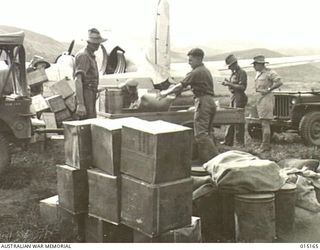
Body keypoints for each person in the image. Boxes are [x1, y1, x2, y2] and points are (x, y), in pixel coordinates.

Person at [159, 48, 218, 163]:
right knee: (208, 133)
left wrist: (164, 93)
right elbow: (189, 86)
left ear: (198, 59)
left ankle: (215, 160)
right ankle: (205, 159)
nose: (189, 62)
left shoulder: (196, 72)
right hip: (210, 102)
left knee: (201, 135)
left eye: (191, 60)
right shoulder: (205, 70)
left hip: (203, 102)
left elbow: (180, 86)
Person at [251, 55, 283, 152]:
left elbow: (279, 82)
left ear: (261, 64)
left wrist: (269, 89)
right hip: (260, 99)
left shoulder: (269, 73)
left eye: (255, 64)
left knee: (265, 123)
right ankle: (265, 144)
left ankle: (265, 146)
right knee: (262, 122)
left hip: (266, 99)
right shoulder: (258, 73)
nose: (254, 66)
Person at [74, 28, 107, 119]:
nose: (99, 45)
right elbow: (78, 80)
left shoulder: (90, 55)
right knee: (87, 122)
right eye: (97, 43)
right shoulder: (84, 56)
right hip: (86, 95)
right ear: (91, 43)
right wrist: (81, 104)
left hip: (90, 93)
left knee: (91, 120)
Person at [221, 54, 248, 146]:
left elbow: (242, 87)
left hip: (239, 97)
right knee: (230, 118)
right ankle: (228, 141)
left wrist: (229, 84)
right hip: (233, 97)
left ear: (235, 64)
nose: (229, 68)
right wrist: (228, 84)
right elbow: (233, 86)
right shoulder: (233, 73)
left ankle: (240, 143)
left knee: (238, 120)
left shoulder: (242, 73)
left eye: (230, 66)